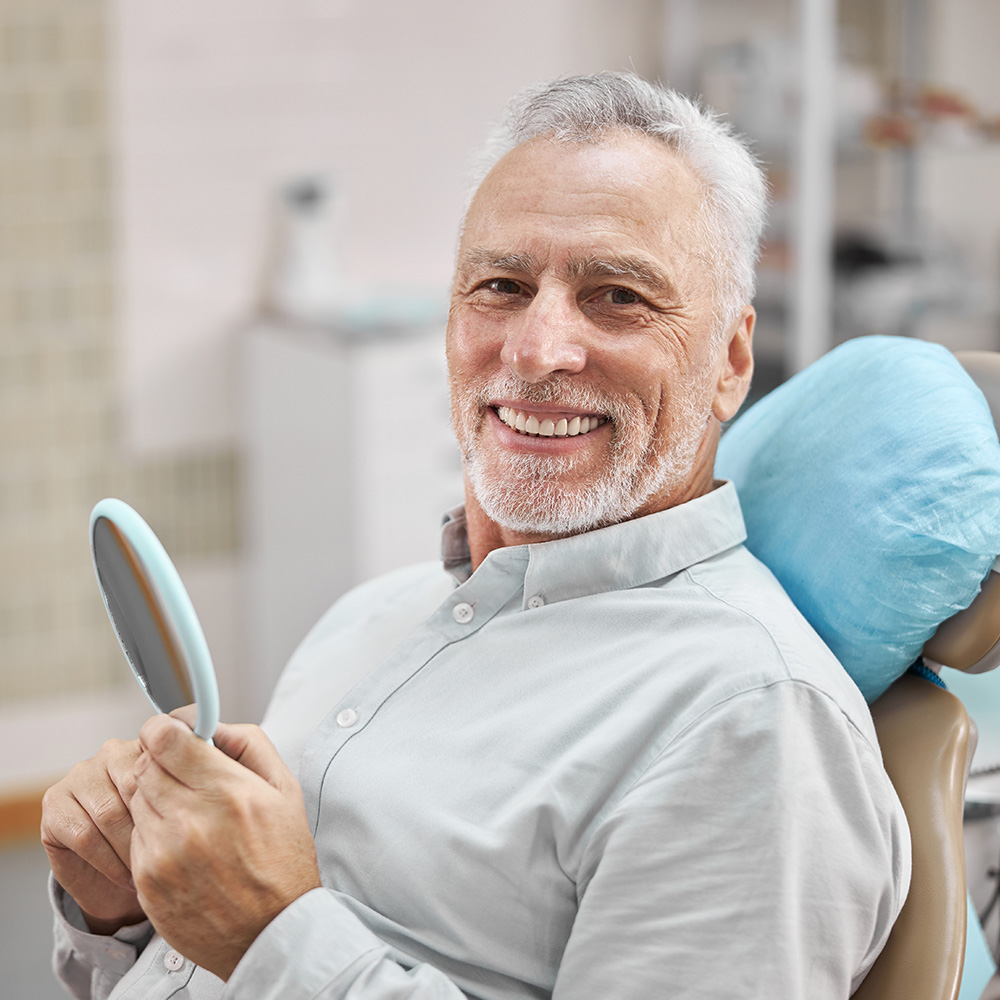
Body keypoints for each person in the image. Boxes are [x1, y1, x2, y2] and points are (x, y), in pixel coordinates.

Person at [41, 72, 910, 1000]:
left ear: (731, 360)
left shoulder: (750, 723)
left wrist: (275, 936)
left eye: (616, 296)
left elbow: (265, 946)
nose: (535, 351)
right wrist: (124, 915)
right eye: (500, 286)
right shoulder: (369, 617)